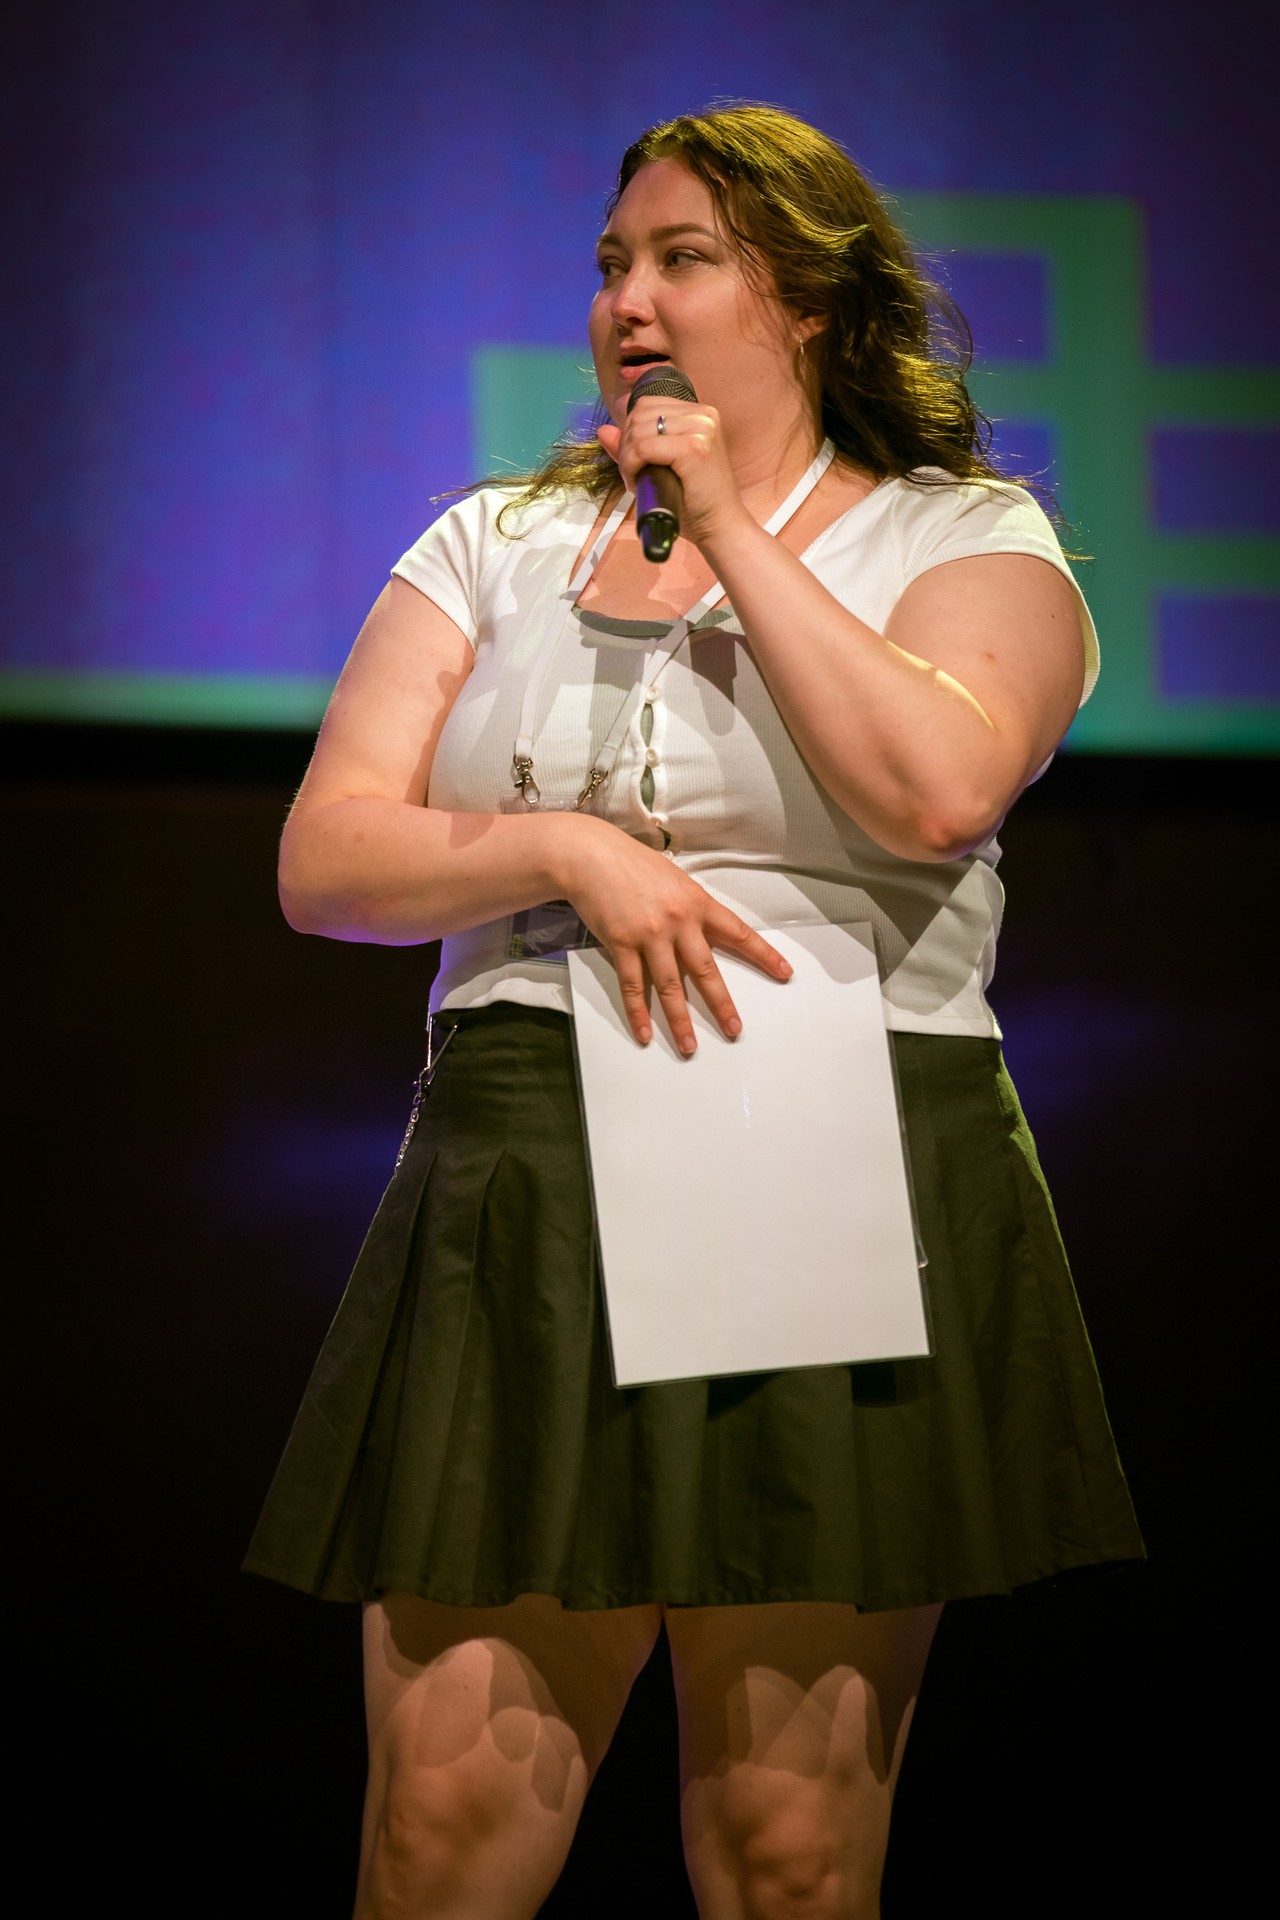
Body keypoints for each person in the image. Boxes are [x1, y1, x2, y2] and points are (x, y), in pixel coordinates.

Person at [246, 103, 1143, 1920]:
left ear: (807, 302)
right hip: (528, 1168)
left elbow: (933, 795)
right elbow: (327, 859)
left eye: (684, 261)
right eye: (610, 266)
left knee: (785, 1850)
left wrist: (727, 518)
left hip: (839, 1166)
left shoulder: (967, 539)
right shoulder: (495, 542)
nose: (628, 302)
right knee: (442, 1828)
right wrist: (563, 849)